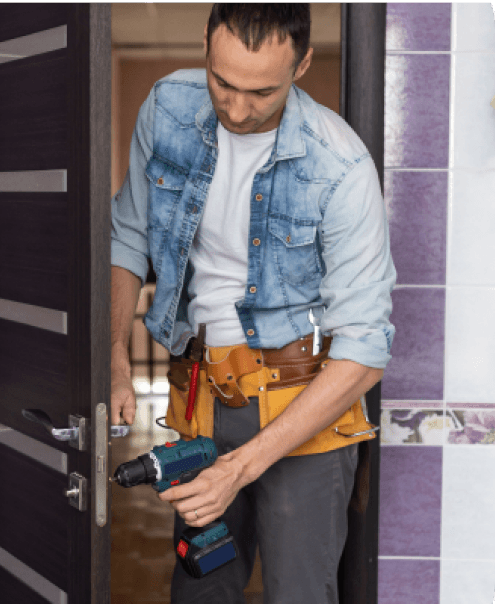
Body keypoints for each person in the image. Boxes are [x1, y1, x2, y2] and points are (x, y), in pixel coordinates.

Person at [110, 3, 396, 603]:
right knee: (200, 590)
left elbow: (365, 349)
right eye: (223, 83)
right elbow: (130, 234)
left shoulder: (339, 167)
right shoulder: (167, 108)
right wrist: (112, 350)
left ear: (302, 65)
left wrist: (237, 470)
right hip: (202, 394)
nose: (237, 109)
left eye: (262, 92)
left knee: (297, 593)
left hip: (306, 409)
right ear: (207, 49)